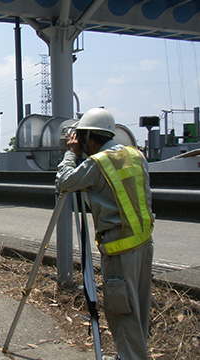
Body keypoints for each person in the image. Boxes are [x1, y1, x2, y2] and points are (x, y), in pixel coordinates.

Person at [56, 108, 154, 360]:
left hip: (120, 249)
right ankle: (133, 354)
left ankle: (131, 357)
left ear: (89, 137)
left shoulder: (97, 164)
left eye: (81, 137)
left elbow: (65, 181)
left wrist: (70, 154)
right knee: (139, 308)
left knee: (123, 311)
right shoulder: (135, 155)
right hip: (143, 243)